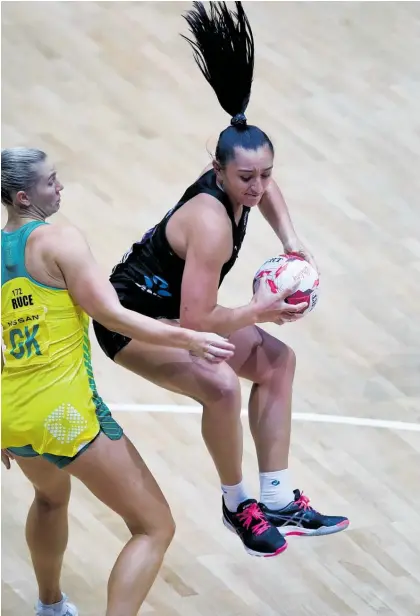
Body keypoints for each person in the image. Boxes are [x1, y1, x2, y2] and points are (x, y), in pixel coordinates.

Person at [93, 0, 350, 560]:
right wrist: (259, 311)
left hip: (177, 314)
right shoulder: (210, 223)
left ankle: (278, 498)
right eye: (246, 178)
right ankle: (238, 505)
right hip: (131, 319)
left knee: (278, 363)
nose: (257, 188)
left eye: (265, 175)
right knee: (221, 382)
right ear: (218, 170)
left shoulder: (247, 181)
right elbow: (196, 323)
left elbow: (271, 194)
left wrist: (291, 240)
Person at [1, 146, 236, 616]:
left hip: (12, 413)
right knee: (154, 527)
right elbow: (112, 314)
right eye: (51, 181)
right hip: (64, 413)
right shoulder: (58, 241)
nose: (60, 186)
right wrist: (186, 339)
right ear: (24, 197)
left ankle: (50, 606)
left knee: (49, 498)